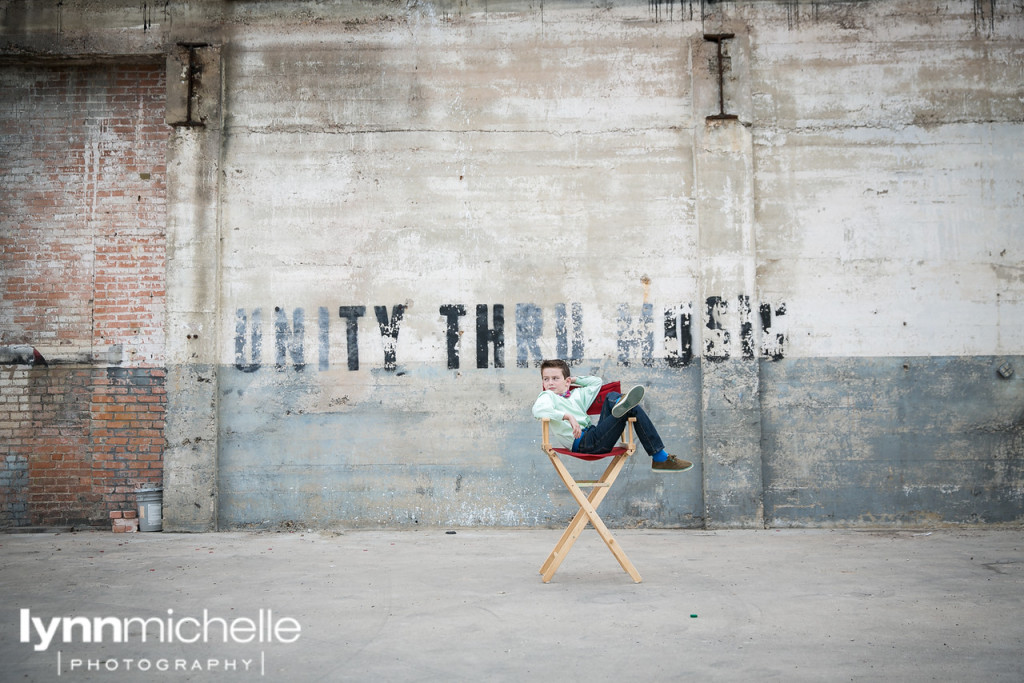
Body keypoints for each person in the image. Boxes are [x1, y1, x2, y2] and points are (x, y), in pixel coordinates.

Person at [531, 359, 693, 472]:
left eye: (555, 378)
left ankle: (622, 405)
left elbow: (596, 382)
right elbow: (538, 411)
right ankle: (660, 457)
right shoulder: (547, 397)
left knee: (612, 397)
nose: (550, 383)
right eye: (546, 379)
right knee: (629, 408)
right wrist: (568, 417)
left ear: (567, 382)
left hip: (594, 435)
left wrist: (573, 380)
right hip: (585, 444)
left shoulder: (577, 395)